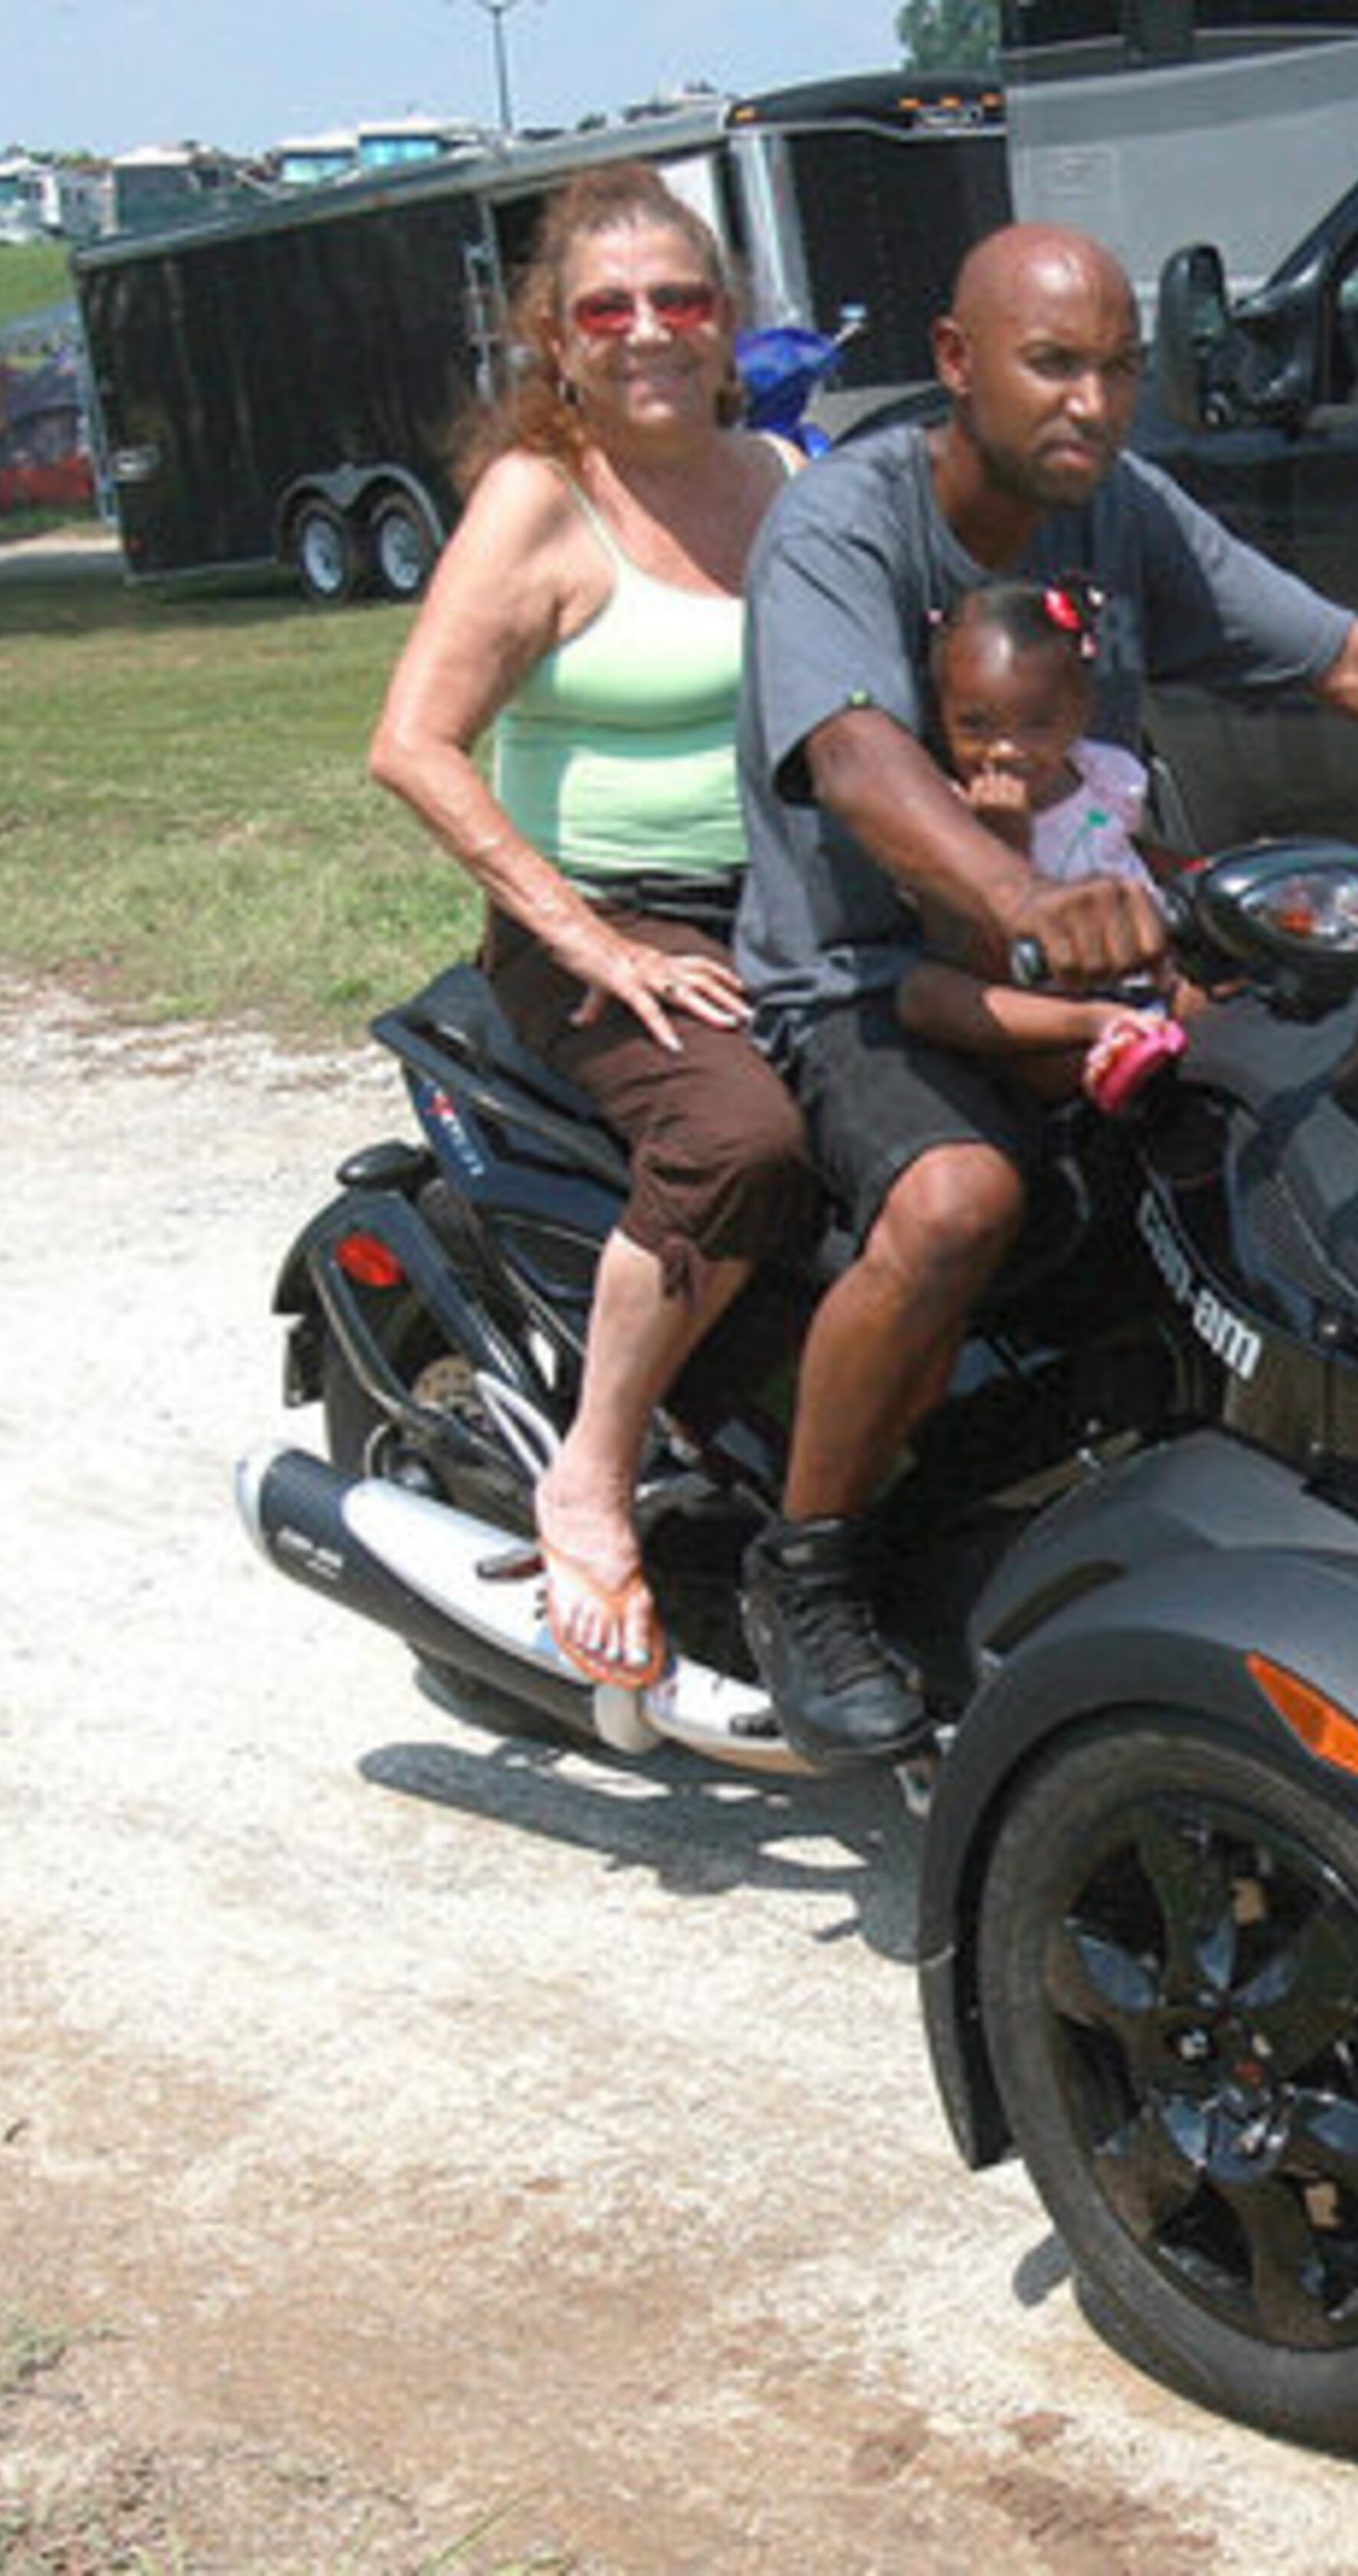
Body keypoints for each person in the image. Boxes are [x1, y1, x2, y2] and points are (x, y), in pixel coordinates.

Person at [732, 222, 1358, 1759]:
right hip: (876, 979)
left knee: (1356, 1095)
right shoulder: (843, 526)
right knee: (957, 1202)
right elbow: (860, 760)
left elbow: (1341, 656)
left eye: (1120, 370)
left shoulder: (1122, 515)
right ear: (958, 365)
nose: (1094, 402)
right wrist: (1016, 897)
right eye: (1054, 366)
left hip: (1107, 954)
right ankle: (805, 1566)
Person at [368, 163, 811, 1697]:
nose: (646, 334)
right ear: (552, 339)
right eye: (604, 309)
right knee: (742, 1140)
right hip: (599, 925)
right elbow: (413, 743)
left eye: (677, 301)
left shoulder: (775, 476)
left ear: (726, 320)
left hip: (784, 907)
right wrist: (590, 944)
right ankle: (592, 1476)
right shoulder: (538, 499)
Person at [897, 574, 1185, 1110]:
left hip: (1146, 971)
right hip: (1044, 1009)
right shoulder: (944, 814)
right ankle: (1104, 1033)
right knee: (924, 996)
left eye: (1036, 724)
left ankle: (1144, 1037)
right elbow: (969, 958)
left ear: (1078, 712)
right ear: (940, 716)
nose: (1004, 749)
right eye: (975, 725)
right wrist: (1003, 841)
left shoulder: (1106, 776)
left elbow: (1133, 853)